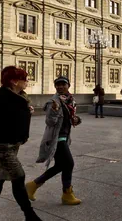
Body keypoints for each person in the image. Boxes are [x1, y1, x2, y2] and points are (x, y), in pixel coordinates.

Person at [0, 66, 42, 221]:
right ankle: (30, 215)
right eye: (24, 79)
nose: (27, 81)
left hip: (12, 144)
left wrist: (27, 112)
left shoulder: (20, 97)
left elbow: (13, 119)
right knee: (18, 177)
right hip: (1, 146)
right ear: (14, 81)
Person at [26, 76, 82, 206]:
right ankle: (67, 194)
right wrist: (54, 111)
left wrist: (77, 120)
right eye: (58, 85)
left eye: (63, 84)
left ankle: (33, 185)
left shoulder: (70, 100)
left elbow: (71, 117)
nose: (60, 87)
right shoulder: (53, 101)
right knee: (69, 164)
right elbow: (50, 122)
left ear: (68, 85)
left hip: (65, 137)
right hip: (56, 138)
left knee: (60, 166)